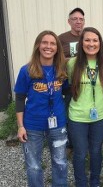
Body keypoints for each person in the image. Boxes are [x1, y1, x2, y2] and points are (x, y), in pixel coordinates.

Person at [15, 30, 68, 186]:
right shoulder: (26, 70)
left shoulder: (61, 70)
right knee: (34, 165)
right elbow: (19, 98)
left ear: (57, 48)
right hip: (32, 126)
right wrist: (20, 126)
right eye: (45, 42)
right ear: (38, 45)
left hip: (58, 125)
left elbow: (67, 92)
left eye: (52, 43)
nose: (48, 46)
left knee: (60, 162)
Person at [67, 27, 103, 187]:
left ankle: (95, 182)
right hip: (77, 117)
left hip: (99, 116)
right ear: (81, 43)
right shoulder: (72, 64)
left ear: (100, 43)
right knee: (79, 153)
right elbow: (69, 87)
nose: (91, 43)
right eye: (87, 40)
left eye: (95, 40)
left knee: (96, 151)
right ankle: (81, 183)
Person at [59, 7, 85, 152]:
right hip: (68, 84)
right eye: (74, 19)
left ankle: (84, 141)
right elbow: (56, 58)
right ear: (69, 21)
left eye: (81, 19)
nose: (78, 22)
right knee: (69, 113)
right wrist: (74, 60)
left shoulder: (88, 36)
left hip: (87, 83)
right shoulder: (62, 38)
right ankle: (70, 144)